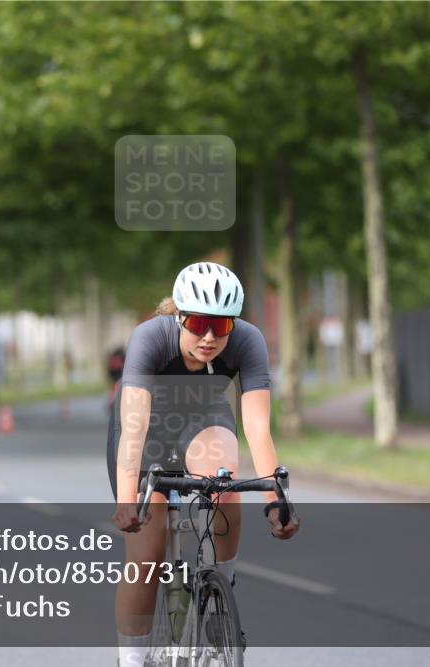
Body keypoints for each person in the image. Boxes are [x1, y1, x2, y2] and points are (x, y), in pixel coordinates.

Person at [108, 262, 299, 666]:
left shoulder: (249, 342)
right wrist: (129, 499)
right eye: (197, 323)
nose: (210, 337)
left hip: (203, 420)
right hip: (147, 432)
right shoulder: (149, 339)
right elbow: (134, 428)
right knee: (146, 556)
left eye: (222, 326)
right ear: (179, 316)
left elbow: (258, 430)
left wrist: (274, 500)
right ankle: (131, 660)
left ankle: (220, 586)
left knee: (224, 486)